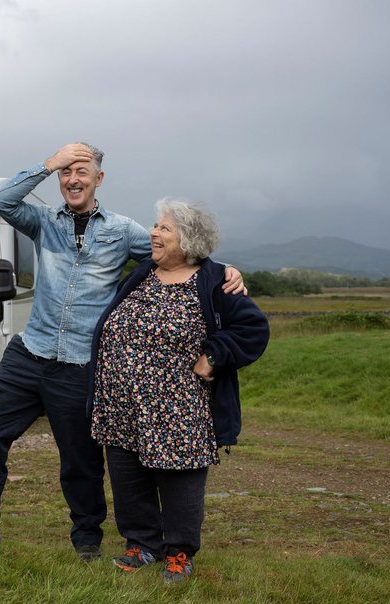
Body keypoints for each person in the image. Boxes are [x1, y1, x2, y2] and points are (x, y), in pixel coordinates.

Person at [0, 143, 247, 560]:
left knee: (80, 460)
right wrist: (50, 163)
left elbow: (178, 252)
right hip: (29, 353)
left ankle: (86, 539)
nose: (72, 179)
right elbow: (2, 200)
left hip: (81, 364)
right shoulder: (43, 221)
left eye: (81, 171)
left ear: (99, 179)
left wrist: (224, 270)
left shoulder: (123, 231)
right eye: (66, 172)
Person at [89, 198, 269, 582]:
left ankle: (179, 553)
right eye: (155, 226)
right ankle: (141, 544)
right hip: (122, 404)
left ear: (188, 240)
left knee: (181, 483)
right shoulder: (142, 274)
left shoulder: (215, 281)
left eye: (164, 228)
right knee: (127, 478)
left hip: (179, 407)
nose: (153, 233)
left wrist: (213, 355)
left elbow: (253, 329)